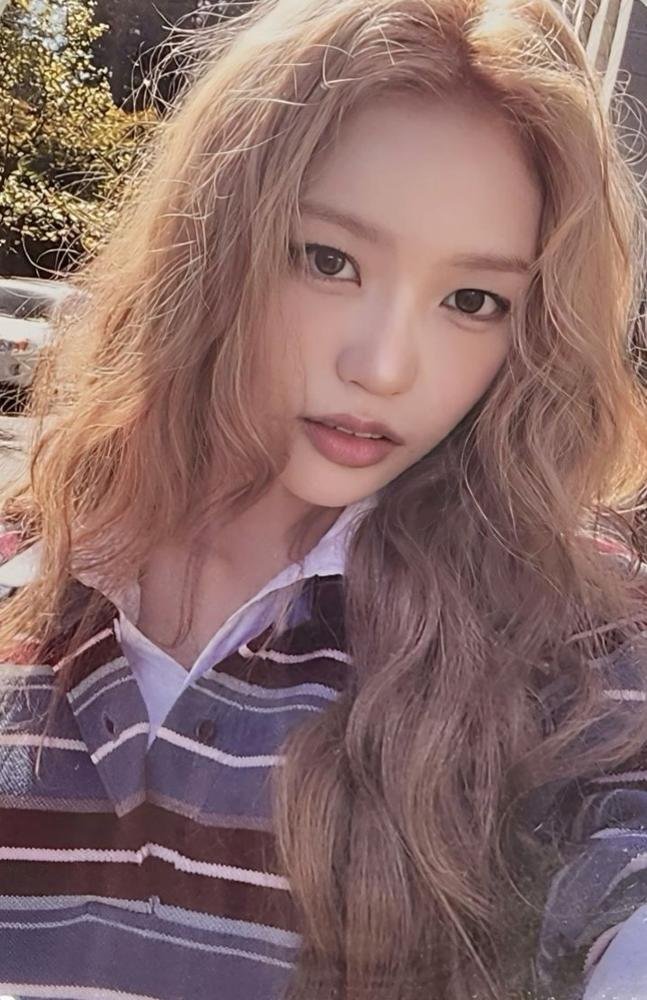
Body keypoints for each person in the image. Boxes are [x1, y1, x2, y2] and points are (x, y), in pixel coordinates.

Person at [0, 0, 646, 998]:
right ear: (209, 241)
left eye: (471, 301)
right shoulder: (25, 576)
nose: (383, 367)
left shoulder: (568, 637)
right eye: (328, 260)